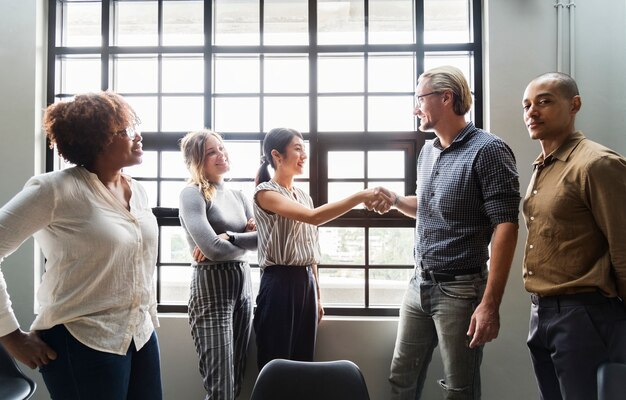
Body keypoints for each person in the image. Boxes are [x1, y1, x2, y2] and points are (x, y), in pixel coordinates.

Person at [0, 92, 162, 399]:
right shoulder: (54, 190)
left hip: (139, 335)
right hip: (81, 341)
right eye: (125, 130)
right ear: (97, 140)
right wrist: (10, 337)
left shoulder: (137, 190)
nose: (138, 136)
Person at [373, 66, 520, 399]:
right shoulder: (429, 151)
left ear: (446, 97)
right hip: (418, 285)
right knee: (400, 380)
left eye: (419, 99)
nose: (415, 108)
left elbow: (506, 227)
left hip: (461, 290)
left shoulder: (489, 150)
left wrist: (490, 304)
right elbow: (427, 206)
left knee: (459, 389)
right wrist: (396, 200)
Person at [521, 72, 626, 400]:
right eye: (526, 105)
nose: (532, 112)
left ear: (574, 105)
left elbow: (623, 248)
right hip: (542, 313)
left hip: (585, 315)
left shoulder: (597, 164)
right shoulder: (543, 166)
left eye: (545, 101)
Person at [252, 127, 383, 370]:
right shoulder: (265, 193)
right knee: (276, 364)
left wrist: (318, 295)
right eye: (298, 149)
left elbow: (311, 247)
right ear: (277, 155)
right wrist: (360, 196)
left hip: (307, 284)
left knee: (303, 363)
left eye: (305, 149)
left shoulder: (302, 195)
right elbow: (313, 218)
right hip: (279, 284)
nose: (304, 155)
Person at [178, 129, 257, 400]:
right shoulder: (192, 194)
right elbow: (211, 249)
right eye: (211, 152)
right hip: (211, 290)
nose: (220, 154)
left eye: (221, 148)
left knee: (237, 379)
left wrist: (231, 237)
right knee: (220, 387)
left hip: (243, 286)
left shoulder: (238, 195)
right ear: (196, 160)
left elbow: (265, 240)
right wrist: (243, 239)